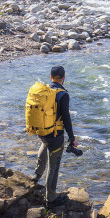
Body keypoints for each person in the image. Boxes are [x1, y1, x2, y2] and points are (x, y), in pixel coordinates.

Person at [32, 65, 77, 207]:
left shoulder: (45, 91)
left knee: (45, 144)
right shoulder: (63, 94)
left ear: (51, 77)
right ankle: (50, 198)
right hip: (55, 134)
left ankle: (36, 175)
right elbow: (66, 118)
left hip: (42, 131)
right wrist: (72, 138)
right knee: (54, 166)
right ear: (63, 78)